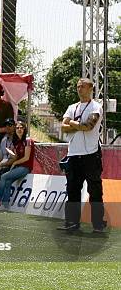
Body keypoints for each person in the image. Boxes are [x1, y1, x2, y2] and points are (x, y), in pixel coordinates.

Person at [57, 78, 106, 233]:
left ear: (91, 88)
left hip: (91, 155)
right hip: (73, 154)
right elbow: (63, 128)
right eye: (78, 87)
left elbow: (89, 126)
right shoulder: (72, 107)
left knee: (95, 190)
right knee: (72, 189)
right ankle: (72, 222)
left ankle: (98, 224)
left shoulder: (96, 107)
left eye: (83, 86)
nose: (79, 89)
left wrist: (72, 123)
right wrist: (76, 124)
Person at [0, 121, 33, 211]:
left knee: (3, 177)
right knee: (7, 182)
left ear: (25, 129)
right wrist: (11, 153)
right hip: (18, 167)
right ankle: (5, 206)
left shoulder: (28, 141)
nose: (19, 129)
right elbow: (15, 157)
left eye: (21, 128)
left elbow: (26, 158)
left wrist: (15, 163)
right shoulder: (17, 142)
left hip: (25, 167)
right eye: (17, 128)